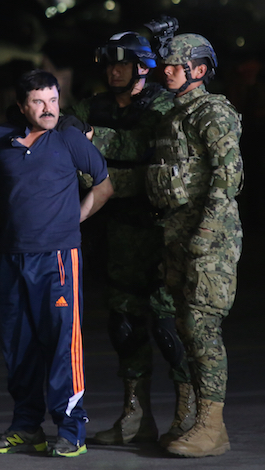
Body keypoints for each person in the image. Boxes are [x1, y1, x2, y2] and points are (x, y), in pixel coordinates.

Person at [63, 31, 192, 446]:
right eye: (109, 64)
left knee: (168, 326)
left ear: (142, 67)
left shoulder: (161, 105)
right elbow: (65, 134)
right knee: (124, 324)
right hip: (117, 234)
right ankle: (135, 416)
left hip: (159, 233)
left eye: (123, 64)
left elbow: (149, 156)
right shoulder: (93, 105)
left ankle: (188, 416)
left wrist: (96, 159)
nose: (114, 71)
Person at [0, 70, 113, 457]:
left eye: (54, 100)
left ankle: (71, 430)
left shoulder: (69, 139)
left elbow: (104, 187)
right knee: (17, 346)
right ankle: (26, 426)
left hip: (57, 258)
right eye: (39, 101)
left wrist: (71, 219)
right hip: (11, 258)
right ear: (23, 105)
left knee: (61, 345)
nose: (49, 108)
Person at [145, 33, 244, 458]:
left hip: (208, 241)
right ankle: (189, 416)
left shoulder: (212, 112)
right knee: (183, 327)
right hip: (177, 237)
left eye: (174, 65)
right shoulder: (174, 115)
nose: (165, 71)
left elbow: (229, 176)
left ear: (198, 70)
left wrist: (205, 235)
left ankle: (212, 425)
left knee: (202, 330)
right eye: (164, 64)